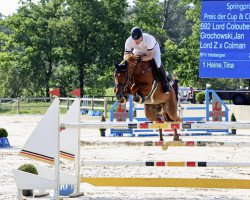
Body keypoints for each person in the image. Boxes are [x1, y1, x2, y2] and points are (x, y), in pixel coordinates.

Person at [124, 27, 170, 93]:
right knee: (131, 63)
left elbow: (150, 57)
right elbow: (125, 56)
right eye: (134, 39)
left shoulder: (149, 39)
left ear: (141, 36)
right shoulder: (129, 41)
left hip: (153, 49)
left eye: (137, 39)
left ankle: (165, 82)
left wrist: (141, 58)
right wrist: (130, 58)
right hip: (139, 50)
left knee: (157, 63)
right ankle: (128, 82)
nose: (136, 41)